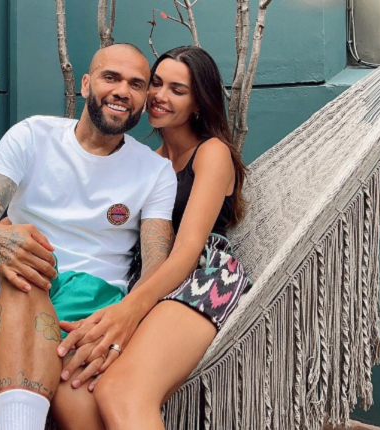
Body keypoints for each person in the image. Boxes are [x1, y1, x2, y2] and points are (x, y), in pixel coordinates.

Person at [0, 43, 177, 430]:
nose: (122, 91)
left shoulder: (155, 172)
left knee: (28, 394)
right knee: (28, 267)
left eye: (136, 84)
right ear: (86, 84)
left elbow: (155, 272)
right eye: (111, 78)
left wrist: (124, 322)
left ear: (144, 100)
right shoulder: (31, 136)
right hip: (22, 276)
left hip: (93, 307)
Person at [53, 46, 251, 430]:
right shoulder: (146, 160)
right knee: (71, 384)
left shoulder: (212, 153)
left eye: (178, 89)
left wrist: (129, 310)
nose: (160, 95)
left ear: (198, 102)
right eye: (156, 84)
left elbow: (188, 248)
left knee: (120, 392)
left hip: (202, 277)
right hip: (142, 279)